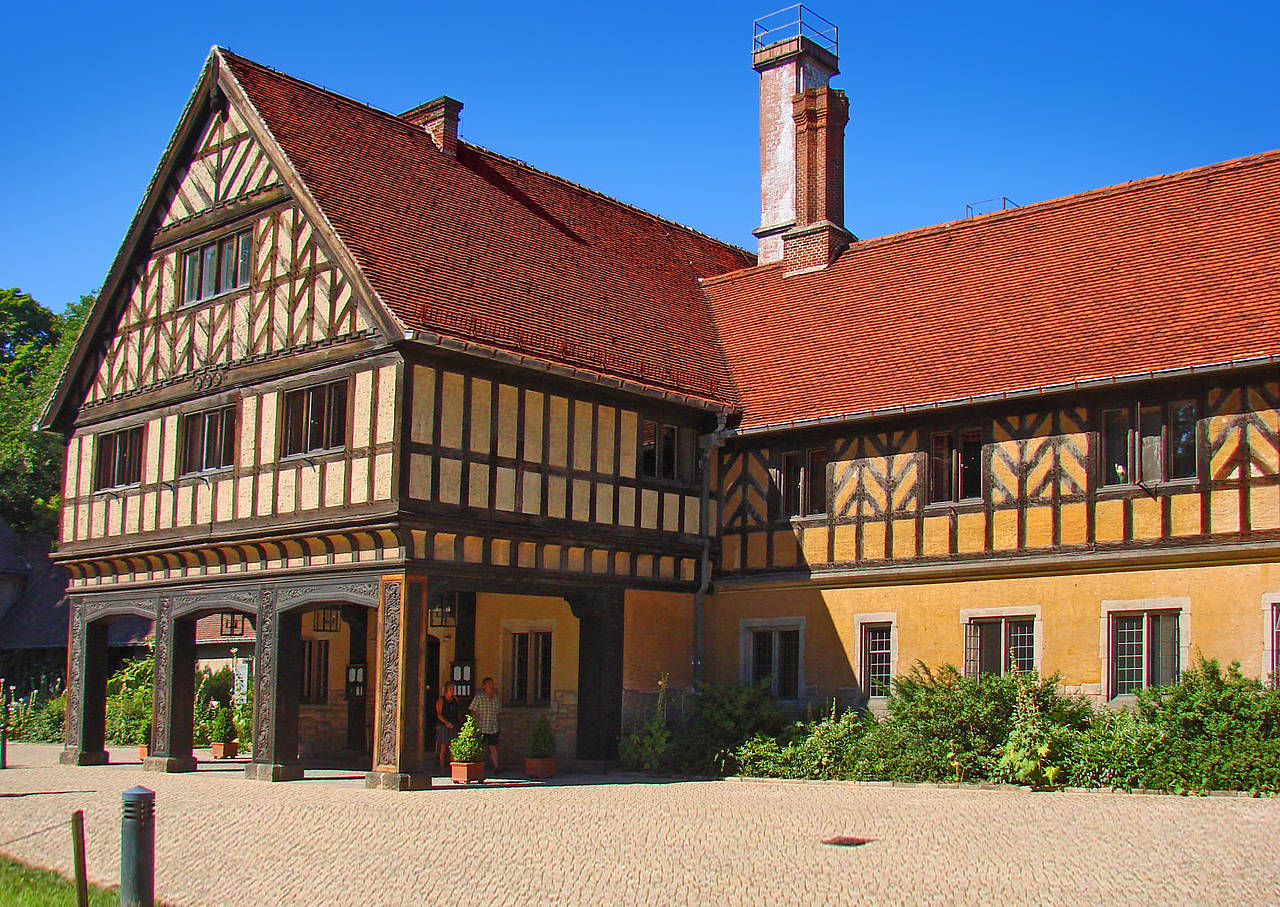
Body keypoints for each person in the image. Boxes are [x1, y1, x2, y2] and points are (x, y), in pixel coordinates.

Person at [468, 676, 501, 773]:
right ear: (484, 686)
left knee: (493, 747)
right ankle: (478, 768)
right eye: (489, 684)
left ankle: (496, 767)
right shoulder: (479, 697)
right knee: (480, 748)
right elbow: (472, 710)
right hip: (481, 727)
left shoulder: (495, 698)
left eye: (492, 684)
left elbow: (498, 712)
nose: (491, 686)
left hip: (493, 727)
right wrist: (474, 723)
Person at [435, 682, 464, 772]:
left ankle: (453, 768)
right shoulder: (441, 700)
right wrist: (446, 723)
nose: (452, 691)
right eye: (450, 689)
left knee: (453, 747)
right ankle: (442, 767)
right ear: (446, 690)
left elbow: (458, 712)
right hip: (444, 725)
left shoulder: (455, 700)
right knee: (443, 747)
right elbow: (439, 714)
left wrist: (461, 723)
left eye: (453, 689)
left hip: (454, 724)